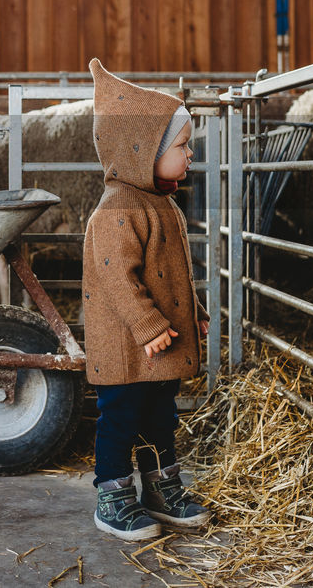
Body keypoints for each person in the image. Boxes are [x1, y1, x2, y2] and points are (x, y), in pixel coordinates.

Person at [82, 58, 212, 541]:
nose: (190, 154)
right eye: (181, 145)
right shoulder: (117, 208)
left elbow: (175, 275)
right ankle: (112, 497)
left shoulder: (160, 202)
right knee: (120, 417)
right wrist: (149, 327)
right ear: (140, 151)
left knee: (160, 414)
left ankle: (160, 488)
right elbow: (117, 278)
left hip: (159, 346)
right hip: (130, 346)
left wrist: (193, 312)